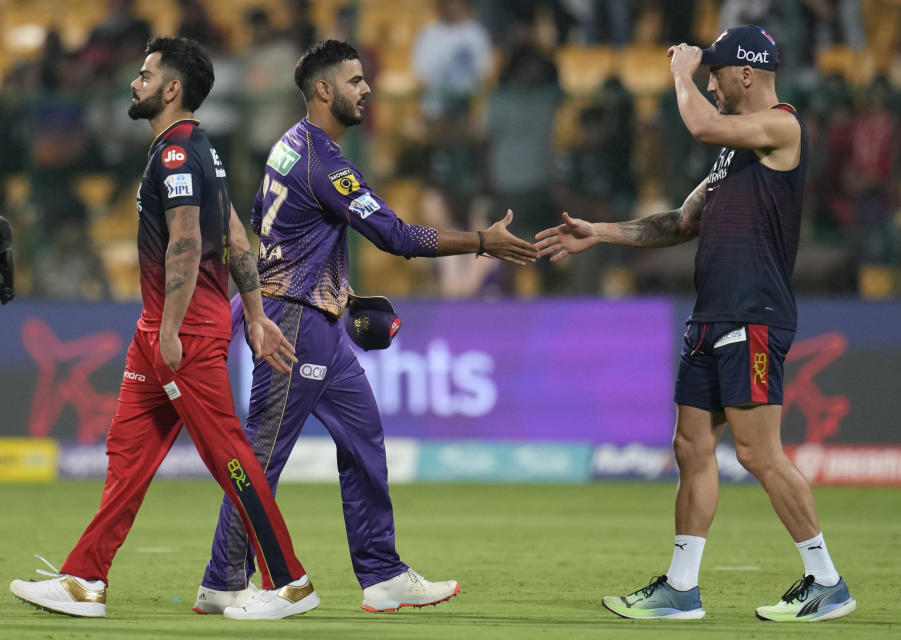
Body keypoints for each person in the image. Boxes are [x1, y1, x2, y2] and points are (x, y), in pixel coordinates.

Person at [193, 39, 537, 615]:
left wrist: (337, 287)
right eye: (355, 80)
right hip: (294, 322)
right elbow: (396, 237)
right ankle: (224, 579)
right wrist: (481, 242)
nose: (367, 89)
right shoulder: (325, 163)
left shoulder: (287, 145)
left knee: (364, 440)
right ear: (324, 90)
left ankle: (382, 576)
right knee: (261, 457)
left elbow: (263, 225)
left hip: (318, 317)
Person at [536, 26, 856, 622]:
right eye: (702, 72)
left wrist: (680, 75)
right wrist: (598, 233)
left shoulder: (782, 128)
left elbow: (702, 122)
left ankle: (827, 579)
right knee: (690, 447)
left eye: (715, 71)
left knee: (760, 455)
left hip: (753, 315)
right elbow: (680, 224)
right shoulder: (733, 151)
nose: (708, 80)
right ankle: (682, 589)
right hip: (712, 315)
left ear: (746, 74)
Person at [9, 37, 321, 621]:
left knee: (228, 454)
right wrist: (252, 317)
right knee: (127, 454)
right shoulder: (202, 151)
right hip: (160, 330)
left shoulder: (177, 155)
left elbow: (185, 241)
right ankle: (84, 580)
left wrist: (173, 329)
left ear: (171, 89)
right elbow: (233, 239)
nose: (135, 81)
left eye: (146, 73)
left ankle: (290, 583)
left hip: (181, 334)